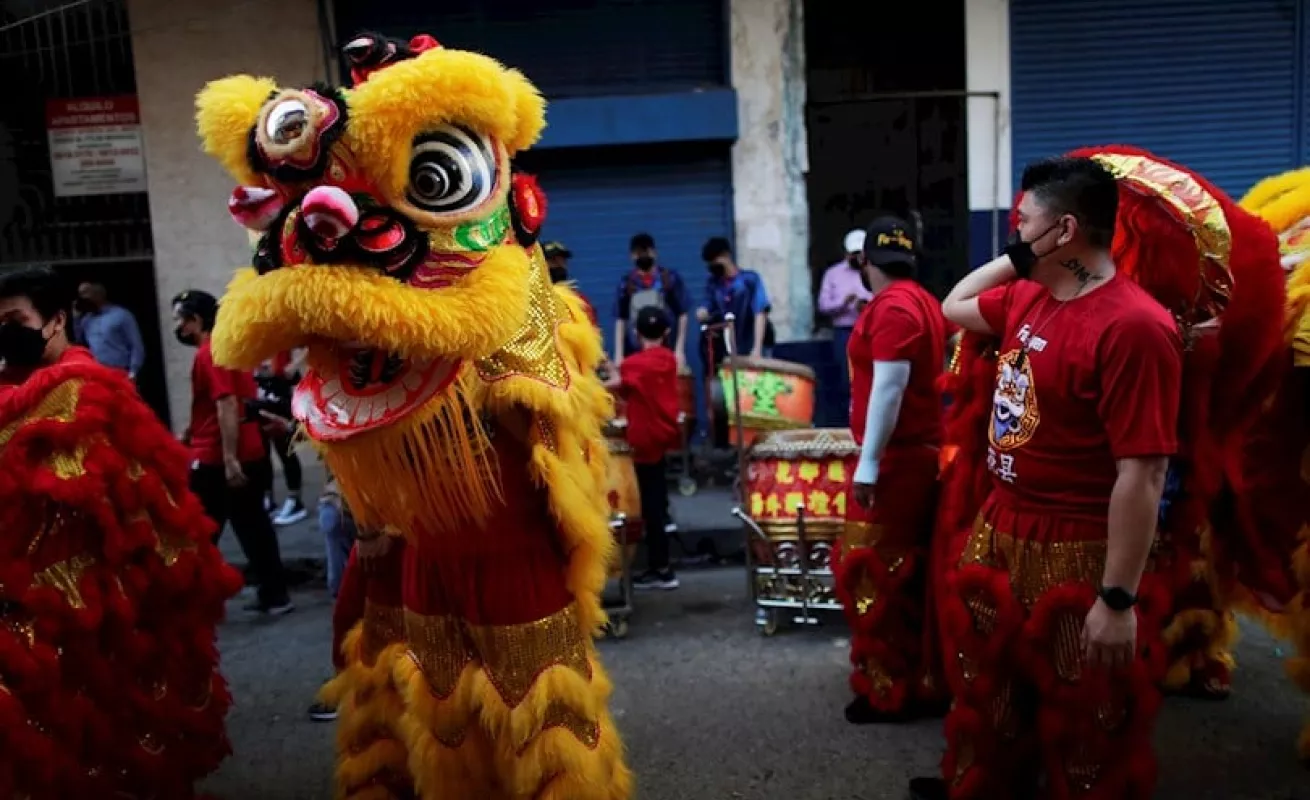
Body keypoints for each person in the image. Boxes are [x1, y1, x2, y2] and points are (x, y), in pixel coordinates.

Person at [910, 157, 1182, 800]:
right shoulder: (1030, 294)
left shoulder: (1134, 327)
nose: (1012, 231)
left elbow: (1142, 474)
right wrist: (1020, 257)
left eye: (1020, 222)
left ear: (1062, 230)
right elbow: (954, 305)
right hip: (1002, 524)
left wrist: (1117, 601)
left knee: (1084, 715)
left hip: (1079, 546)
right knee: (989, 688)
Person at [0, 267, 240, 798]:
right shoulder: (7, 396)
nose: (5, 332)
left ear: (57, 320)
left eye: (15, 320)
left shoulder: (96, 395)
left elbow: (153, 512)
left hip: (89, 614)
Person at [837, 216, 950, 725]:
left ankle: (890, 688)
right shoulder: (920, 300)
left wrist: (869, 463)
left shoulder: (895, 308)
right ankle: (913, 678)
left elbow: (889, 387)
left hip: (898, 462)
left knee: (876, 574)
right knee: (906, 573)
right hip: (909, 455)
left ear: (865, 262)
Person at [173, 289, 294, 615]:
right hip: (247, 450)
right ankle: (274, 594)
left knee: (199, 528)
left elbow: (226, 404)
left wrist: (228, 458)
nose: (180, 329)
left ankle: (198, 598)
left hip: (218, 457)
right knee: (252, 525)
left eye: (181, 321)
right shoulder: (231, 350)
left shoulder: (209, 353)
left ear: (196, 320)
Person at [605, 306, 683, 590]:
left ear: (636, 334)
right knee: (657, 502)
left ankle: (661, 569)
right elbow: (631, 385)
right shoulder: (669, 360)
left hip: (643, 443)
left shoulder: (633, 364)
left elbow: (618, 385)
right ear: (667, 332)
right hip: (661, 441)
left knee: (648, 507)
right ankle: (661, 562)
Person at [818, 229, 875, 424]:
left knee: (871, 375)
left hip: (870, 330)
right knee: (845, 377)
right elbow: (823, 305)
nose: (858, 258)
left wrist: (867, 304)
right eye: (854, 254)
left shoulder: (874, 271)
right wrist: (844, 302)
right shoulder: (833, 274)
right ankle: (848, 420)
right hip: (844, 331)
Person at [613, 232, 691, 367]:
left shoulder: (669, 279)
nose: (643, 256)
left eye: (646, 251)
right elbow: (621, 319)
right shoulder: (627, 283)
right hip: (635, 352)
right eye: (638, 253)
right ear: (632, 256)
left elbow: (682, 314)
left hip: (666, 350)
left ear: (654, 253)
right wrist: (619, 354)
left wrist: (679, 350)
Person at [696, 236, 772, 367]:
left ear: (726, 256)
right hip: (728, 349)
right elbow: (707, 306)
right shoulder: (714, 284)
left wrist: (757, 348)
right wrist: (702, 312)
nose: (713, 266)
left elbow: (760, 312)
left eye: (715, 261)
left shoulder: (749, 280)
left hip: (751, 342)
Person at [256, 348, 309, 525]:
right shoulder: (250, 328)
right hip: (259, 389)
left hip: (279, 391)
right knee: (262, 449)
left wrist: (294, 365)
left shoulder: (279, 329)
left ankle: (295, 500)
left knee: (284, 447)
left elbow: (309, 343)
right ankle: (267, 497)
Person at [74, 280, 145, 381]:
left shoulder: (121, 315)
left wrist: (133, 372)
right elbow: (79, 342)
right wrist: (76, 319)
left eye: (88, 296)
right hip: (96, 374)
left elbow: (136, 345)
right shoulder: (86, 320)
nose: (86, 300)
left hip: (120, 372)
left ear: (98, 296)